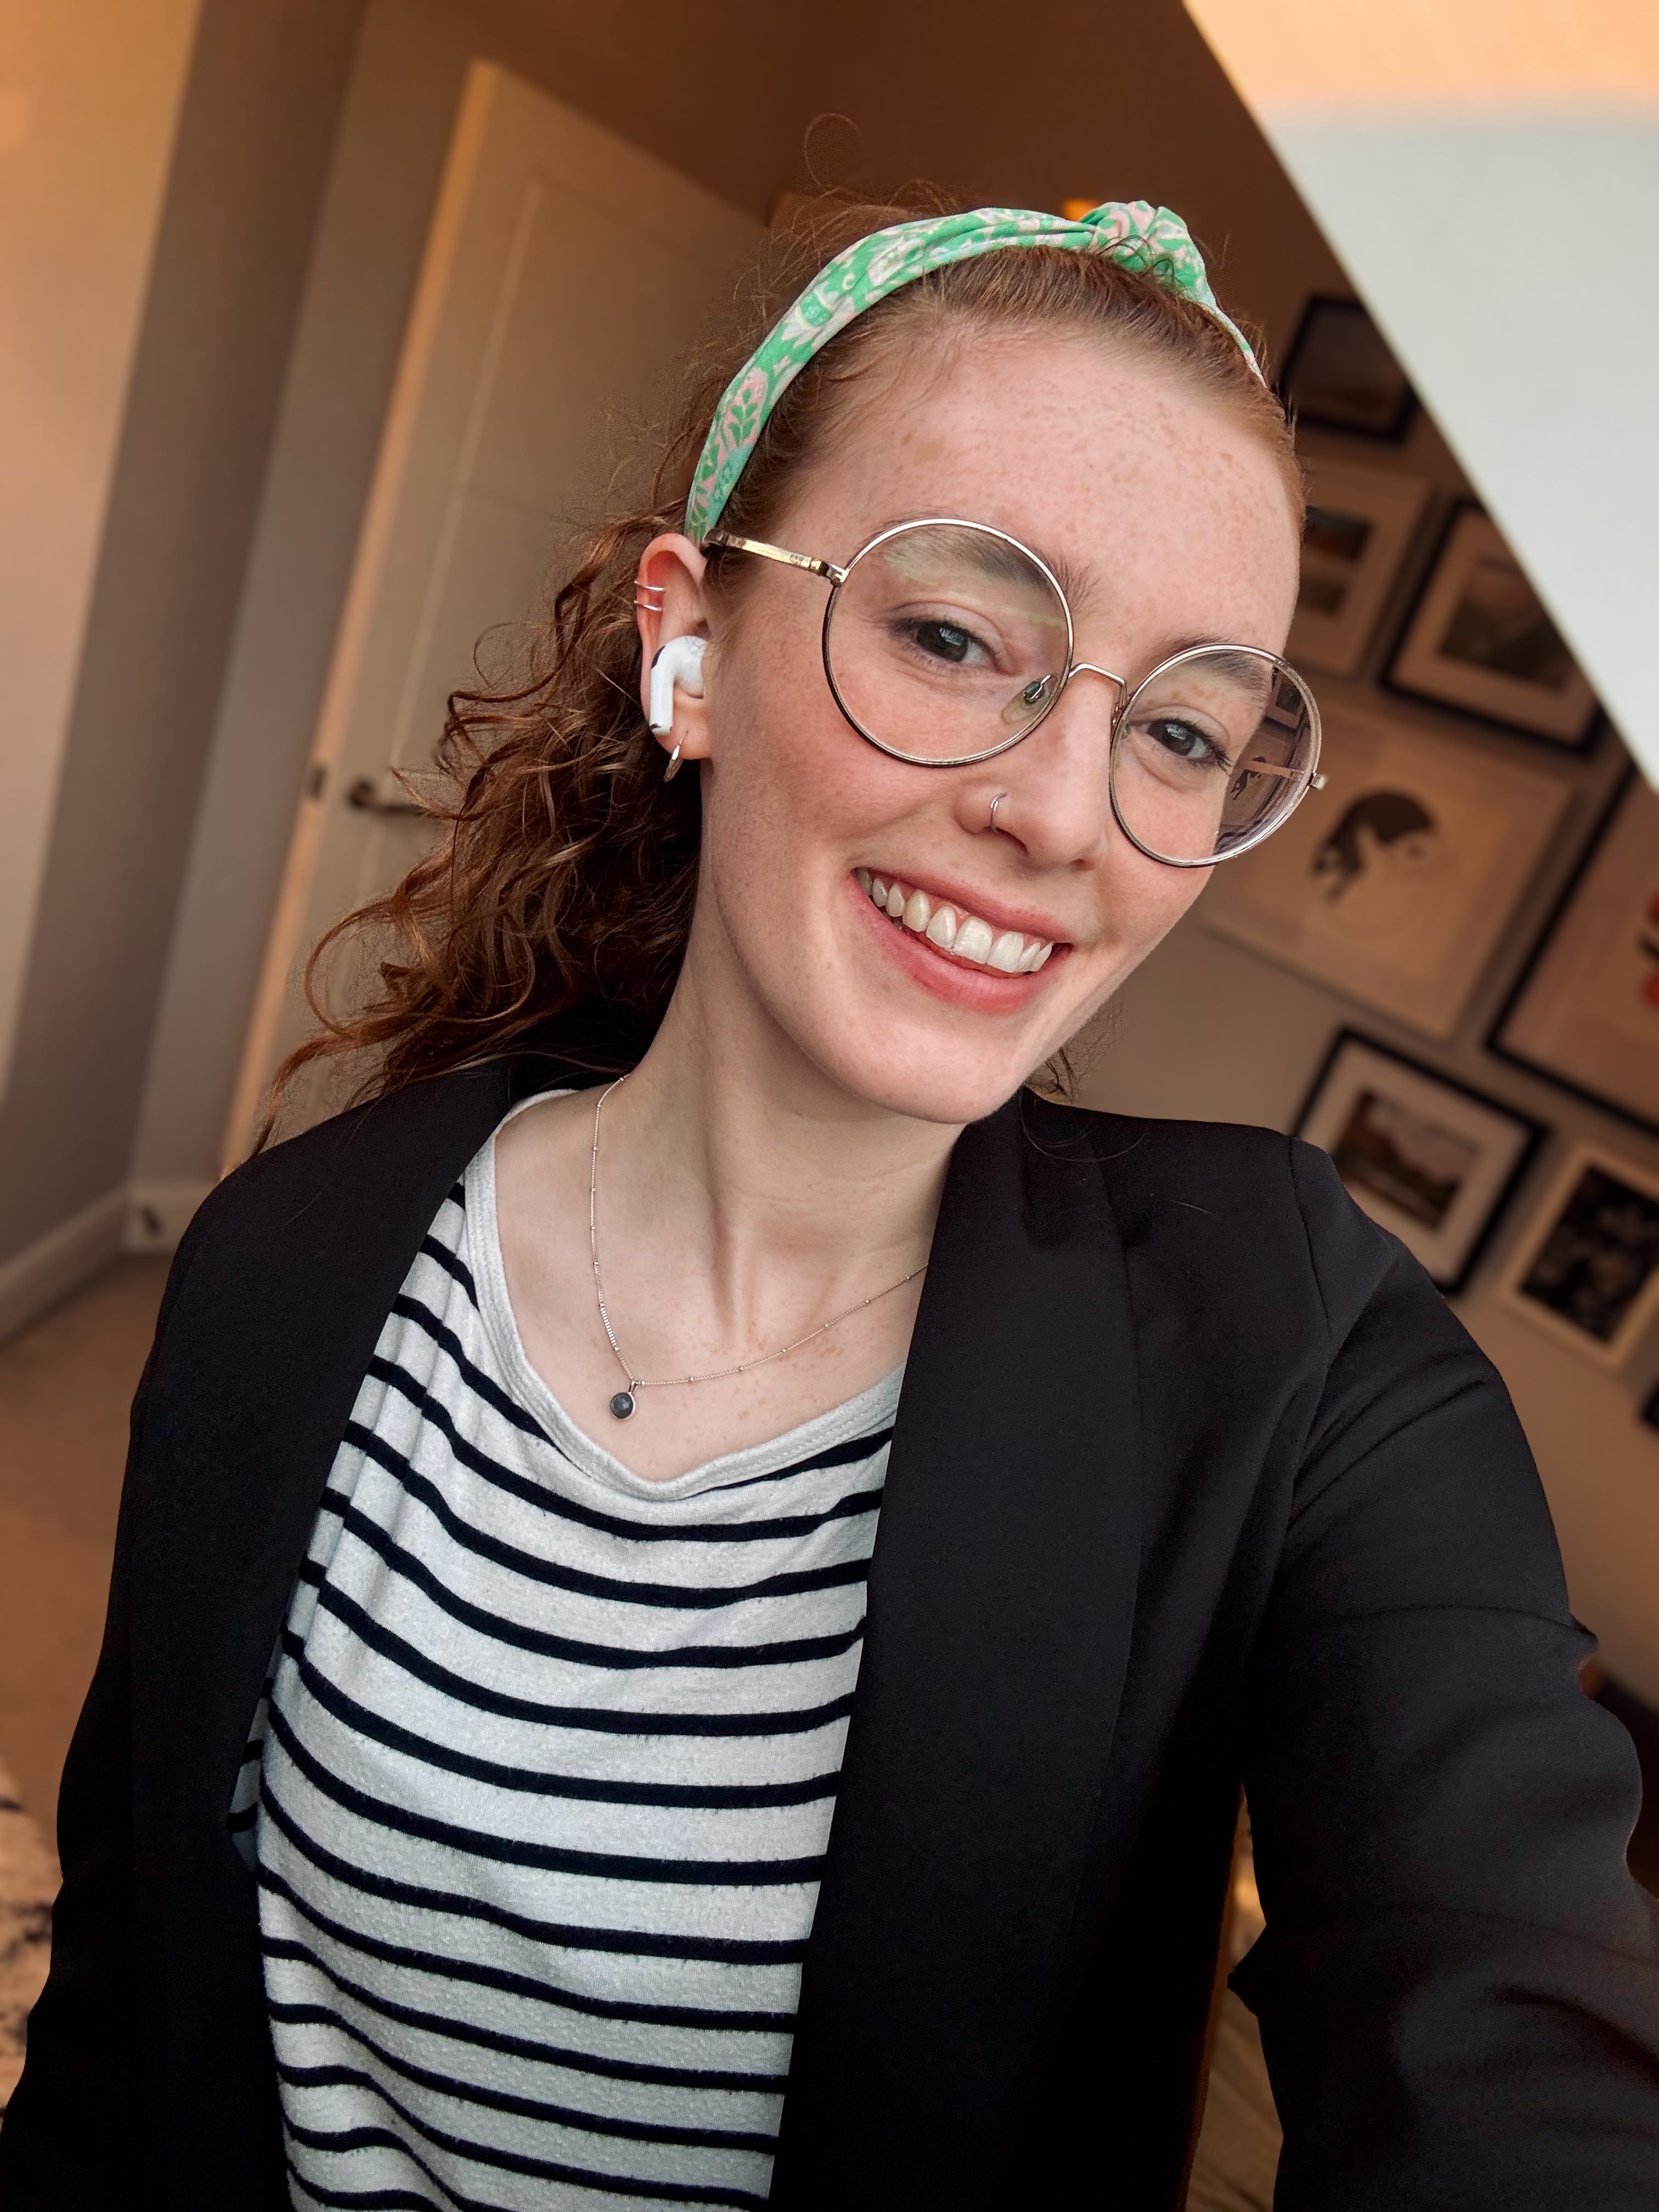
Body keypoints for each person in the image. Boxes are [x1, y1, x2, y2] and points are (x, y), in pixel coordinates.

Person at [3, 194, 1656, 2212]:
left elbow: (1508, 2020)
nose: (1063, 815)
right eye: (957, 635)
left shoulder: (1294, 1350)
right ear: (687, 644)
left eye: (1185, 730)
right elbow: (121, 2028)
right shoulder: (283, 1261)